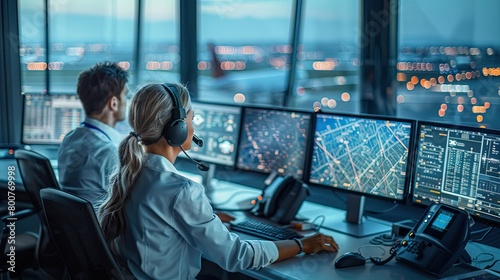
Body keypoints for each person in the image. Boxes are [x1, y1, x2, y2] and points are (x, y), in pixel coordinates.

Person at [98, 82, 339, 280]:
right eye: (191, 119)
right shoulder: (180, 190)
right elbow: (235, 256)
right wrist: (301, 245)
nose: (193, 127)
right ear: (177, 129)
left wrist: (207, 219)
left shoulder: (129, 174)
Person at [58, 61, 129, 209]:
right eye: (125, 96)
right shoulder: (109, 151)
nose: (127, 103)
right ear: (114, 103)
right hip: (102, 229)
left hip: (74, 228)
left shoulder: (69, 139)